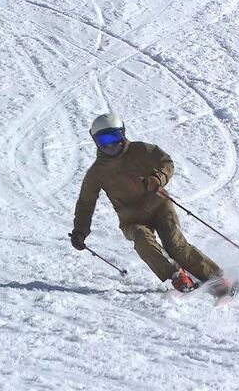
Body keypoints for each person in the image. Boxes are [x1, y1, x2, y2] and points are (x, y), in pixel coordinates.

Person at [69, 113, 228, 294]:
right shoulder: (96, 173)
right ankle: (176, 275)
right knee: (141, 239)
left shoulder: (140, 150)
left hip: (159, 206)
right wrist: (80, 231)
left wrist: (157, 178)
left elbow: (166, 162)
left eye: (114, 137)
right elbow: (85, 204)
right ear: (96, 142)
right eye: (104, 140)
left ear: (122, 133)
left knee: (175, 246)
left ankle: (216, 278)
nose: (111, 145)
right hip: (131, 219)